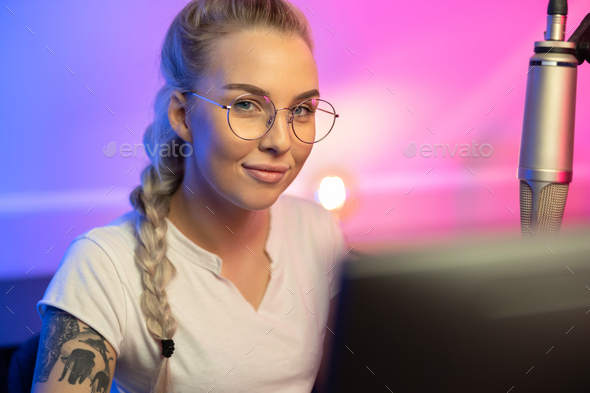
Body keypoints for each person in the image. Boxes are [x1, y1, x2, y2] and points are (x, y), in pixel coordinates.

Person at [31, 0, 348, 392]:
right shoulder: (103, 266)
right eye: (246, 105)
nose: (281, 141)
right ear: (182, 116)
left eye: (301, 109)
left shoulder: (318, 231)